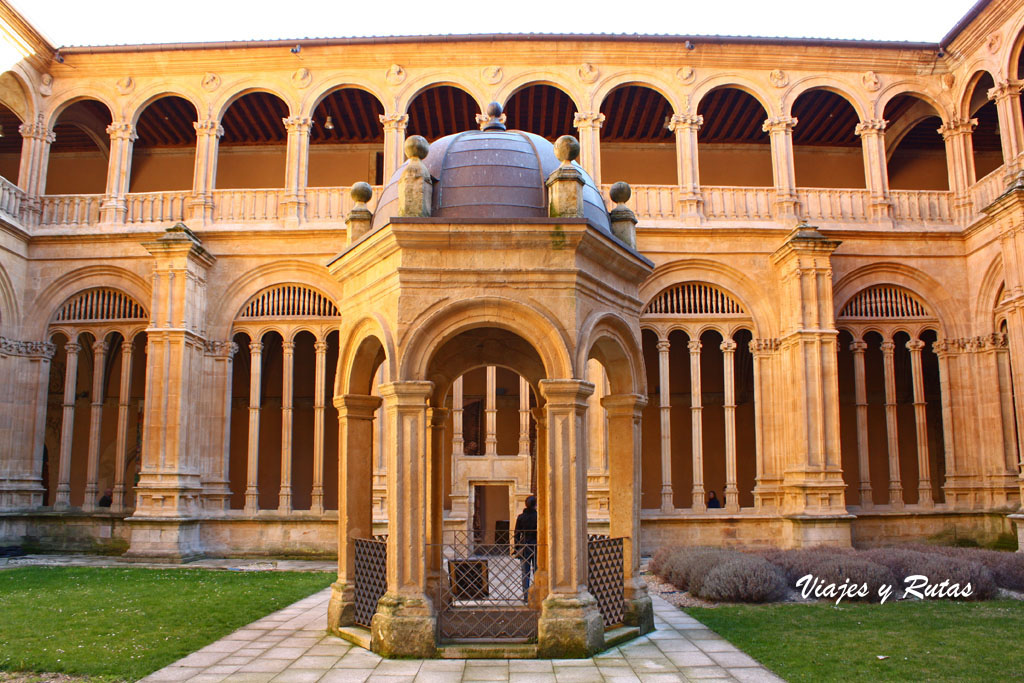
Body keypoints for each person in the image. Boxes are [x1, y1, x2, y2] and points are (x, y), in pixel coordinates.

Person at [514, 495, 537, 599]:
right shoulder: (538, 517)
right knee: (537, 571)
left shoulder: (521, 517)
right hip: (536, 546)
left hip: (524, 546)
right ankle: (537, 594)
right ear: (535, 505)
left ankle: (526, 595)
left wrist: (517, 547)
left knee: (525, 573)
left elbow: (516, 533)